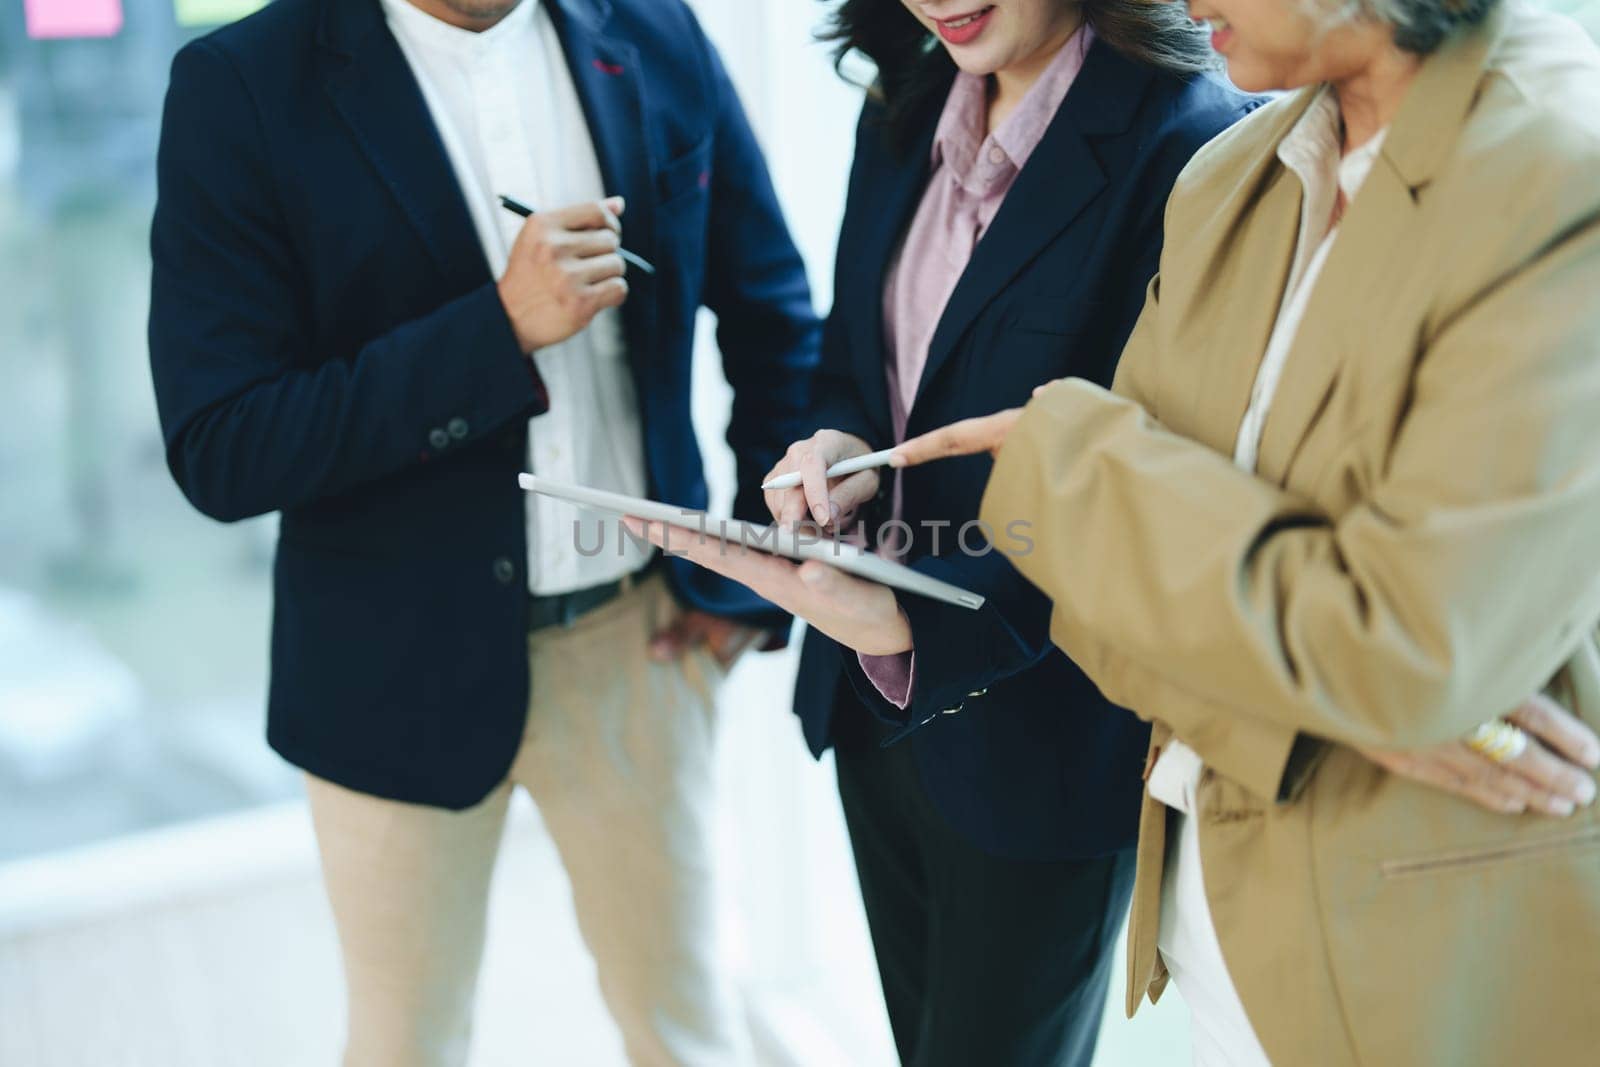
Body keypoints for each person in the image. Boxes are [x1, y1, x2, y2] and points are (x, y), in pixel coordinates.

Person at [883, 0, 1600, 1062]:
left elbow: (1406, 651)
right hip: (1214, 937)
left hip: (1426, 961)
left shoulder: (1559, 172)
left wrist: (1073, 460)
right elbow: (1085, 603)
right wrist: (1327, 692)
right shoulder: (1228, 176)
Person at [146, 0, 819, 1063]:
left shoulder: (656, 30)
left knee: (693, 1027)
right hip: (384, 663)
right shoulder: (242, 84)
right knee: (405, 1042)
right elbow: (224, 445)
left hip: (636, 641)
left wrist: (751, 575)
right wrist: (494, 331)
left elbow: (774, 312)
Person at [639, 0, 1258, 1061]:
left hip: (1044, 731)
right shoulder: (903, 105)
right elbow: (850, 365)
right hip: (874, 716)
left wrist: (907, 623)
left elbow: (1155, 482)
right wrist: (833, 447)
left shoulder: (1191, 139)